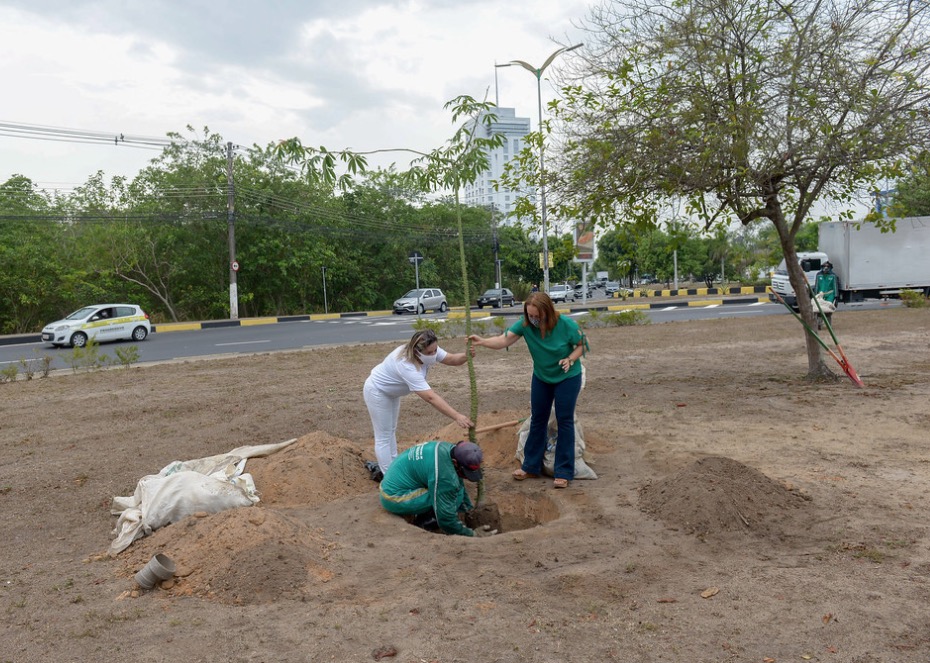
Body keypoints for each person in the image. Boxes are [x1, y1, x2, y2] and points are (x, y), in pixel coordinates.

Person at [468, 292, 587, 489]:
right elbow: (503, 340)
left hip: (567, 377)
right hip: (542, 376)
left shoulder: (566, 324)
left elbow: (582, 345)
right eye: (530, 315)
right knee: (538, 418)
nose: (533, 319)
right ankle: (530, 466)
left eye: (537, 316)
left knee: (564, 420)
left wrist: (570, 359)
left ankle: (563, 471)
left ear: (547, 312)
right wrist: (482, 341)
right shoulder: (525, 326)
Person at [364, 330, 474, 478]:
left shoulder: (430, 349)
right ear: (417, 351)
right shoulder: (405, 364)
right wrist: (457, 416)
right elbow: (430, 397)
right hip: (377, 391)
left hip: (392, 393)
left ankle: (393, 467)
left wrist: (466, 355)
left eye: (435, 350)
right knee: (383, 436)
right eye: (429, 353)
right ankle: (390, 478)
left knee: (391, 430)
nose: (434, 355)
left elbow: (452, 359)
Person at [379, 440, 492, 537]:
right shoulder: (444, 476)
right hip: (393, 496)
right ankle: (426, 521)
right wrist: (472, 534)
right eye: (465, 473)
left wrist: (468, 510)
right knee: (453, 496)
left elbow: (459, 480)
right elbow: (446, 519)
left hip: (395, 481)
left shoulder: (448, 449)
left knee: (455, 490)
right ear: (455, 462)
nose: (466, 477)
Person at [813, 260, 840, 329]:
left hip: (830, 295)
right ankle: (819, 324)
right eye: (824, 266)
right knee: (819, 310)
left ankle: (828, 325)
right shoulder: (819, 275)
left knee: (828, 310)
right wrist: (815, 295)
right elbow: (817, 286)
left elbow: (835, 286)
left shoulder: (833, 276)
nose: (826, 268)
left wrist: (836, 296)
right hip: (820, 295)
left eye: (827, 266)